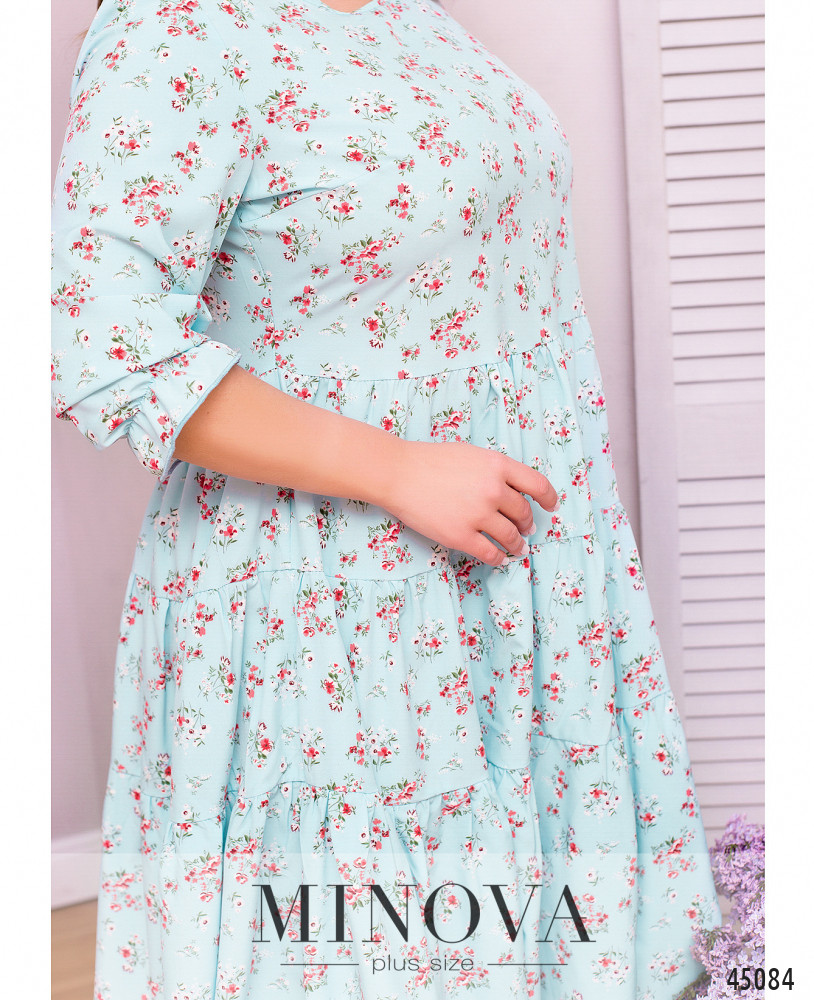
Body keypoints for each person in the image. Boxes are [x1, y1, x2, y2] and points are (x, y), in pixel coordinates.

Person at [51, 0, 723, 996]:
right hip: (333, 588)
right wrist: (398, 469)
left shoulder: (413, 16)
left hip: (513, 570)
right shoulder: (182, 28)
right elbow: (100, 346)